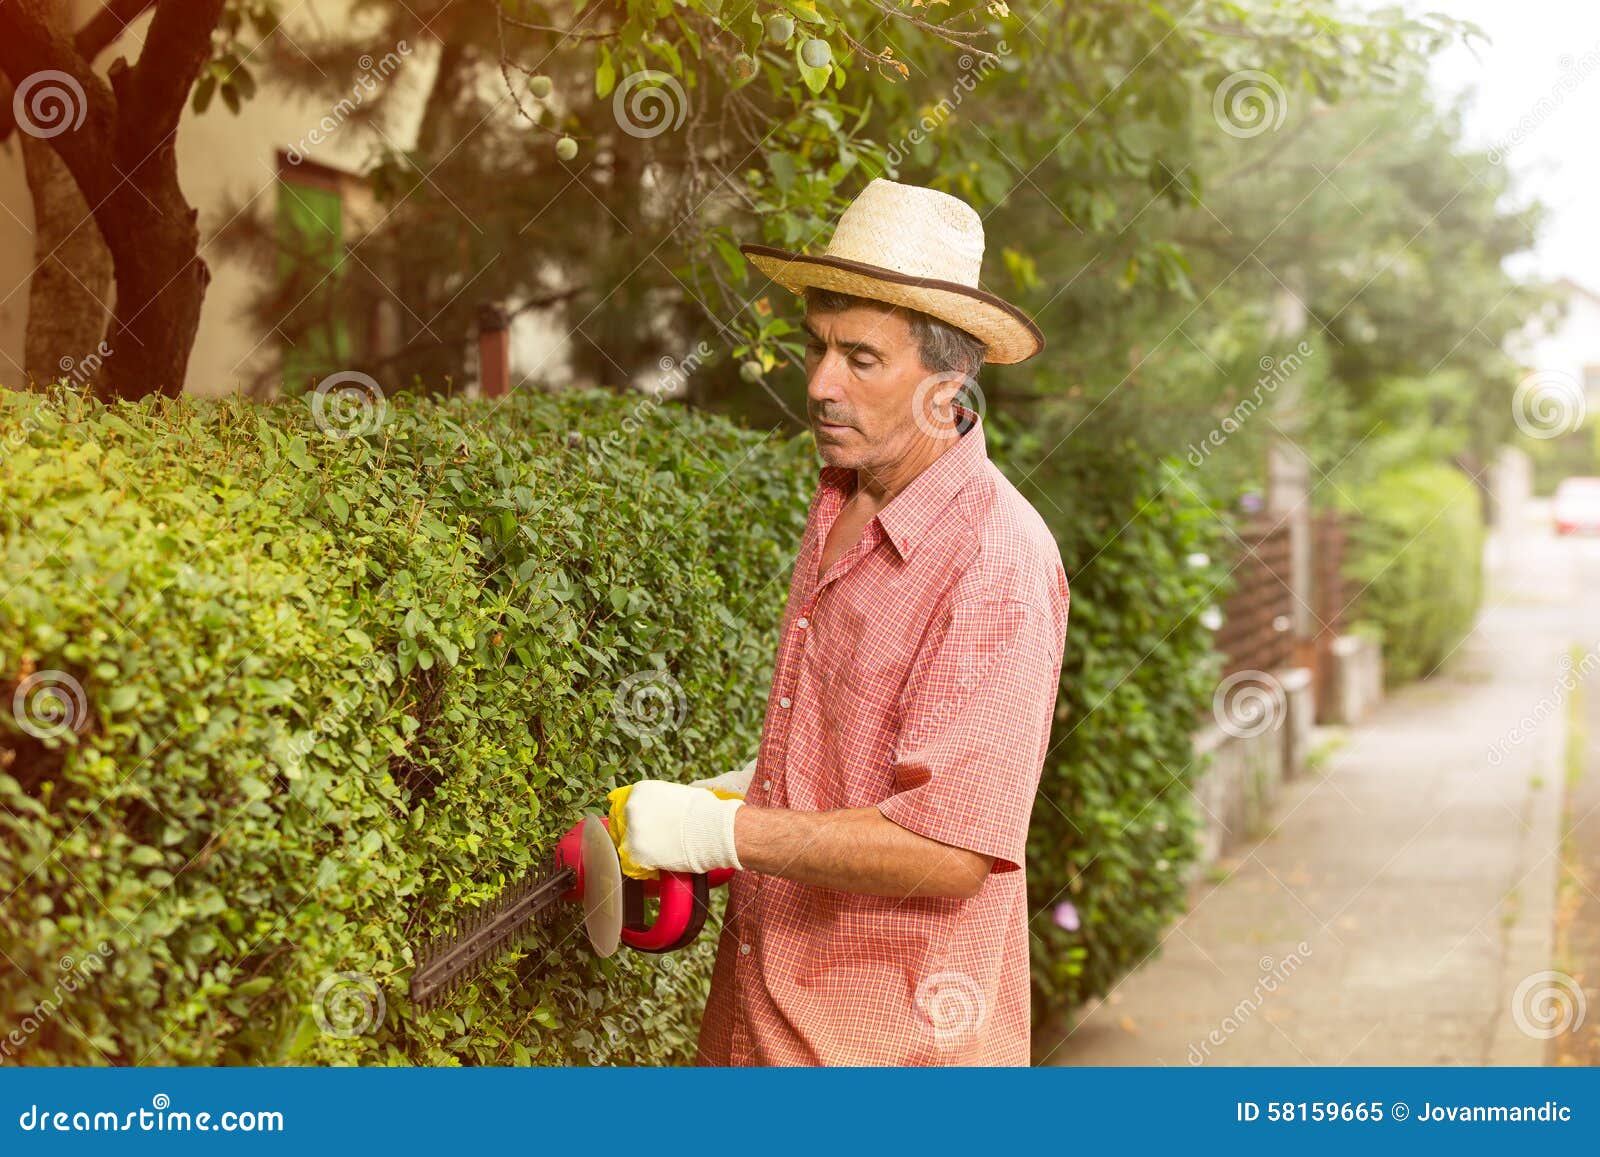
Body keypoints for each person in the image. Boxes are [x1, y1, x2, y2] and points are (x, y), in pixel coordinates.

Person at [610, 178, 1069, 1065]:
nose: (821, 384)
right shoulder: (844, 497)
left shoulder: (996, 563)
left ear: (948, 382)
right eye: (817, 347)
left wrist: (720, 833)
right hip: (760, 1025)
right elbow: (856, 751)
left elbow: (948, 846)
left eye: (862, 359)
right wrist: (743, 787)